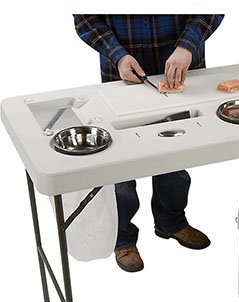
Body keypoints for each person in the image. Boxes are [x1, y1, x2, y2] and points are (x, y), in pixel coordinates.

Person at [73, 15, 224, 272]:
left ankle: (171, 222)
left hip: (181, 71)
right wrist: (118, 55)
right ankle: (122, 238)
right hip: (122, 75)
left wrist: (187, 46)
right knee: (121, 164)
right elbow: (85, 18)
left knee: (175, 153)